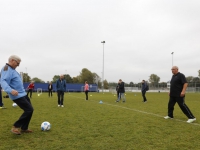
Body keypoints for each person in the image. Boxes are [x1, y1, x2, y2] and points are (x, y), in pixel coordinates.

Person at [0, 55, 34, 135]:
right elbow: (3, 81)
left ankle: (24, 128)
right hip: (17, 95)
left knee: (30, 110)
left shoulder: (12, 69)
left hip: (23, 94)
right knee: (29, 109)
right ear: (12, 60)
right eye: (17, 63)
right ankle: (16, 126)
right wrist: (10, 90)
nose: (18, 65)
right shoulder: (7, 69)